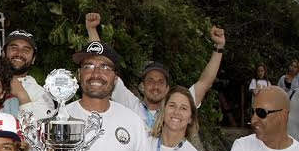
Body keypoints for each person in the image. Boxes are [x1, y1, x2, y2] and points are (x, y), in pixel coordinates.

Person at [85, 12, 225, 129]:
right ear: (142, 86)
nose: (155, 86)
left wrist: (219, 47)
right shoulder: (131, 105)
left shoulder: (174, 111)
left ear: (167, 88)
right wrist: (92, 30)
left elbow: (204, 83)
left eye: (160, 82)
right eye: (150, 80)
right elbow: (103, 66)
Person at [0, 30, 55, 118]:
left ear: (33, 59)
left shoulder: (40, 93)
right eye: (14, 48)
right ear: (3, 53)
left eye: (26, 50)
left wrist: (22, 95)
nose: (19, 53)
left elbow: (41, 125)